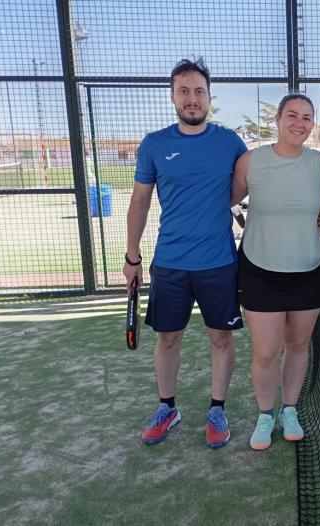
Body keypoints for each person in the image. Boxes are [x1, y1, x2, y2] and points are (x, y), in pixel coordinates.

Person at [123, 58, 246, 448]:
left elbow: (248, 189)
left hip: (220, 262)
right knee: (168, 339)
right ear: (173, 96)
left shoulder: (230, 142)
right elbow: (140, 201)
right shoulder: (154, 144)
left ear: (210, 98)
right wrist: (131, 256)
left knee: (221, 338)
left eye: (198, 91)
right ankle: (168, 407)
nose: (192, 99)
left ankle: (217, 409)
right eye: (184, 91)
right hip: (170, 263)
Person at [231, 94, 320, 450]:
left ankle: (290, 409)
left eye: (307, 117)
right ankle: (264, 414)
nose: (299, 123)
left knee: (298, 345)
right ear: (278, 119)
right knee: (266, 352)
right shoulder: (251, 161)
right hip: (260, 270)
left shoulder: (319, 163)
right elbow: (224, 201)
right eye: (292, 115)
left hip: (309, 270)